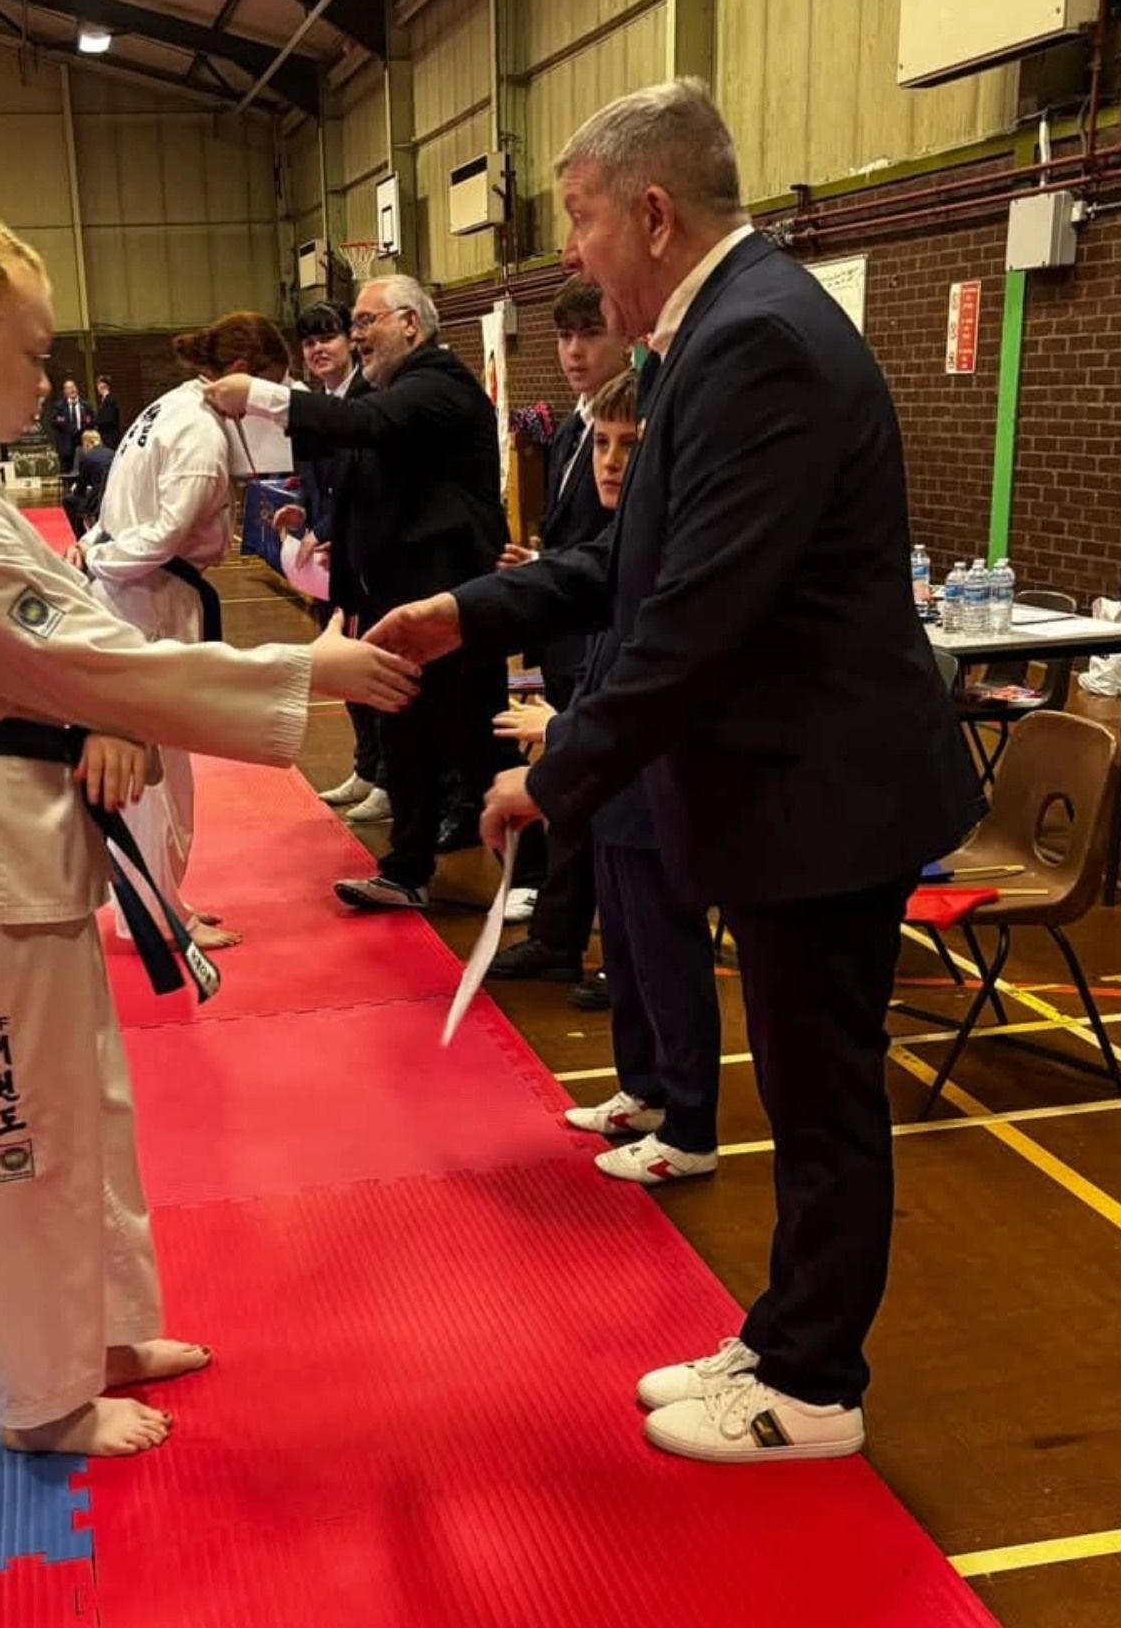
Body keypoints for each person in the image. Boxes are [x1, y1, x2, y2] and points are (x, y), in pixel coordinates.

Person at [365, 80, 981, 1463]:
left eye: (581, 219)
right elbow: (624, 569)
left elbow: (699, 618)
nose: (572, 253)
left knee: (823, 1101)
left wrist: (556, 771)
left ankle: (812, 1385)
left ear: (652, 212)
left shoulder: (756, 341)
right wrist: (472, 610)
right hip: (796, 786)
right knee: (810, 1093)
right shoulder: (717, 337)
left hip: (823, 793)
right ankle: (781, 1335)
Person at [0, 171, 417, 1461]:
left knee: (78, 1099)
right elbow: (97, 661)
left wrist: (103, 712)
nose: (47, 383)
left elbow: (63, 661)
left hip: (4, 830)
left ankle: (92, 1327)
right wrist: (311, 670)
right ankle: (41, 1394)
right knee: (13, 1127)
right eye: (32, 355)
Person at [206, 275, 511, 912]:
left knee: (473, 739)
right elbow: (351, 481)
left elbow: (362, 423)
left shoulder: (437, 385)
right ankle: (406, 870)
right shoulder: (388, 394)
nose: (358, 335)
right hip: (396, 605)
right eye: (357, 324)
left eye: (368, 322)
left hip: (451, 604)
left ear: (411, 324)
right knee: (404, 736)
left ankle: (527, 877)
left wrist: (262, 395)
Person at [494, 369, 722, 1185]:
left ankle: (691, 1125)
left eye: (634, 445)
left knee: (666, 950)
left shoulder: (678, 549)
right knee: (622, 946)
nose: (613, 461)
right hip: (611, 783)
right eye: (604, 443)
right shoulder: (619, 540)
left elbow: (654, 682)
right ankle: (645, 1089)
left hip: (659, 782)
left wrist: (560, 730)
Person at [72, 311, 288, 952]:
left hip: (136, 594)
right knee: (155, 772)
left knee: (154, 764)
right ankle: (156, 914)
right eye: (271, 392)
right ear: (245, 375)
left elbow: (121, 505)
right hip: (147, 600)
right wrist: (101, 556)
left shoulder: (171, 407)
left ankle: (157, 901)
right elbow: (163, 532)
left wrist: (92, 546)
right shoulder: (201, 434)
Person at [491, 276, 630, 972]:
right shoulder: (576, 425)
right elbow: (586, 536)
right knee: (576, 796)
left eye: (590, 335)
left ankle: (594, 942)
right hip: (574, 632)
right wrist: (542, 561)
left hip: (608, 636)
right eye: (565, 337)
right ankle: (562, 932)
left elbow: (620, 545)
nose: (574, 352)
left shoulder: (637, 418)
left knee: (604, 801)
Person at [281, 301, 392, 829]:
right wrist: (303, 513)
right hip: (332, 561)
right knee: (345, 667)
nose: (318, 349)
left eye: (328, 337)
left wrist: (327, 530)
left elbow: (366, 490)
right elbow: (319, 483)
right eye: (308, 343)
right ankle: (365, 766)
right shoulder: (314, 409)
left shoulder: (367, 401)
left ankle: (388, 776)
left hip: (366, 556)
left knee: (374, 668)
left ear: (350, 341)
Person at [62, 427, 114, 539]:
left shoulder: (88, 458)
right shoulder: (113, 454)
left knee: (69, 501)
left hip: (97, 502)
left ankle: (81, 536)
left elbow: (81, 487)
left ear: (87, 443)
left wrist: (75, 491)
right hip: (113, 497)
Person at [49, 376, 93, 473]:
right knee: (67, 471)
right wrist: (63, 422)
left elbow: (91, 422)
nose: (72, 389)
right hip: (66, 445)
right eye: (68, 388)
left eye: (73, 386)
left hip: (82, 444)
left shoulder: (85, 406)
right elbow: (54, 421)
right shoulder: (59, 406)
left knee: (84, 470)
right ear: (65, 392)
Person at [95, 374, 121, 449]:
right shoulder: (105, 400)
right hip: (107, 436)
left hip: (110, 437)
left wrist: (96, 422)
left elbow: (108, 420)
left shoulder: (109, 400)